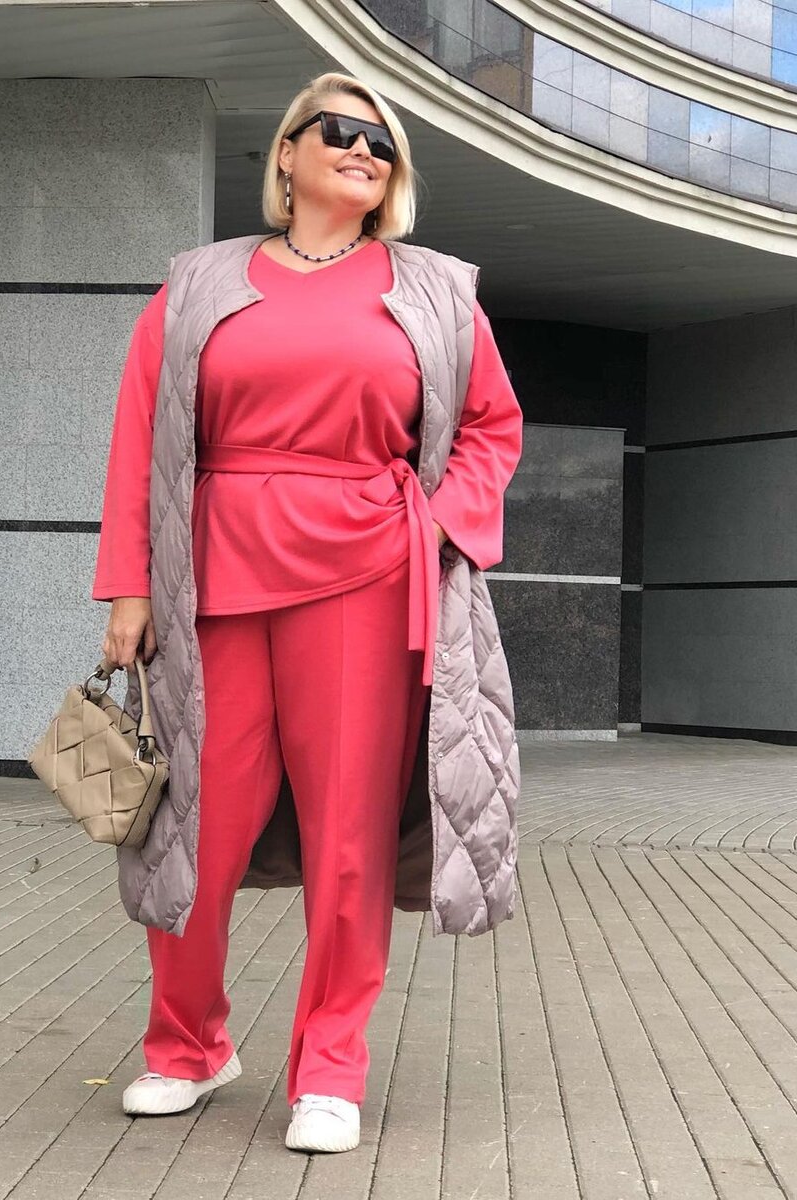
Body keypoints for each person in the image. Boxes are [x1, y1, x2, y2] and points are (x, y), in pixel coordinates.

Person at [92, 70, 523, 1155]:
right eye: (339, 131)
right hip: (212, 583)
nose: (363, 150)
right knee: (193, 825)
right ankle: (187, 1044)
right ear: (286, 152)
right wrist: (129, 585)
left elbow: (491, 427)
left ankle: (330, 1066)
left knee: (348, 837)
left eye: (382, 143)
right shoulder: (196, 283)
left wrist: (437, 526)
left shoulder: (435, 290)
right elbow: (141, 436)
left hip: (371, 581)